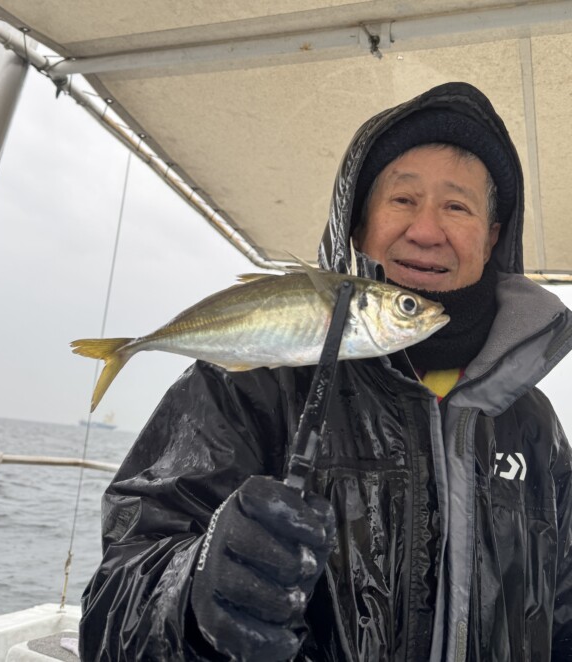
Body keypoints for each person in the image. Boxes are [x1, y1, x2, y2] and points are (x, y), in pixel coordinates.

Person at [79, 82, 572, 661]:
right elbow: (114, 606)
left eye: (457, 206)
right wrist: (194, 590)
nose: (427, 229)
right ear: (358, 226)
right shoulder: (247, 383)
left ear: (490, 239)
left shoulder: (531, 420)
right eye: (403, 200)